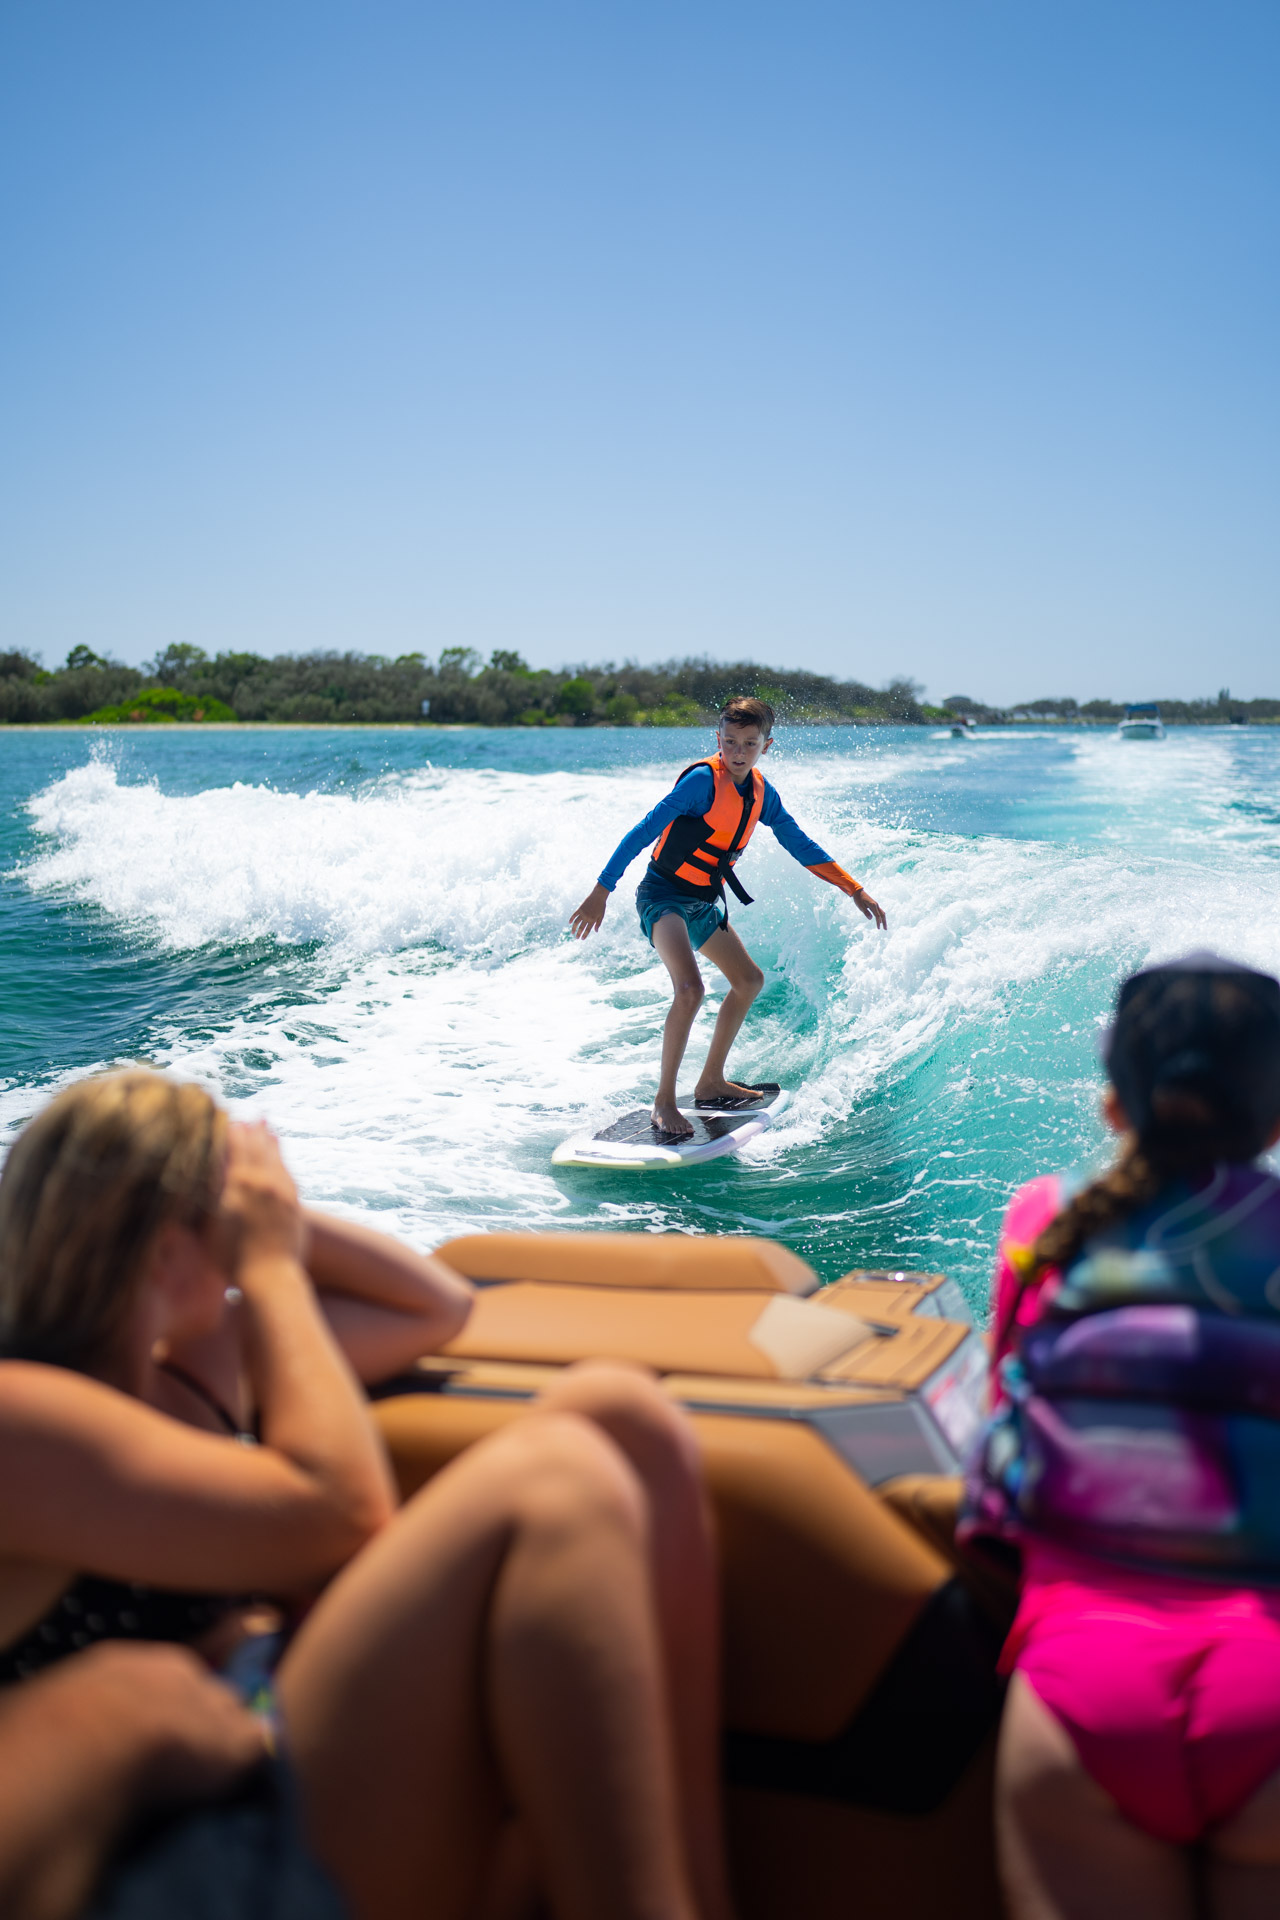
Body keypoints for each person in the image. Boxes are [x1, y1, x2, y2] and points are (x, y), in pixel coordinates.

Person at [0, 1070, 736, 1920]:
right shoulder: (21, 1422)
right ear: (168, 1249)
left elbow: (435, 1308)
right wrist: (268, 1263)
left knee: (627, 1420)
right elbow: (339, 1514)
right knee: (557, 1481)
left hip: (259, 1754)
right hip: (169, 1846)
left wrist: (262, 1219)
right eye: (221, 1211)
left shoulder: (189, 1374)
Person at [963, 955, 1280, 1920]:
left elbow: (1003, 1446)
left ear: (1114, 1104)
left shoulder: (1045, 1225)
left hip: (1079, 1687)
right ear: (1274, 1118)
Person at [569, 697, 887, 1138]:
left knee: (749, 981)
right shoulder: (701, 782)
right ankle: (662, 1100)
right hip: (662, 896)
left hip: (703, 901)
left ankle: (711, 1082)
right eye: (731, 742)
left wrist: (853, 887)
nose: (739, 752)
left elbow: (800, 844)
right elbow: (644, 830)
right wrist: (601, 890)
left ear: (766, 746)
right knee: (690, 988)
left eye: (750, 744)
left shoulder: (762, 793)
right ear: (718, 740)